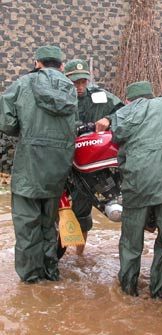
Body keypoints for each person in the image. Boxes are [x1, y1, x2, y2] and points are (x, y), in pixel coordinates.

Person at [0, 45, 78, 283]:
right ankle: (51, 273)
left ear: (37, 63)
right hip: (58, 166)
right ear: (62, 66)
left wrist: (23, 131)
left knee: (27, 226)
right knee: (48, 223)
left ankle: (31, 281)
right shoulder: (70, 89)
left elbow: (5, 122)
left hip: (30, 165)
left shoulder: (23, 84)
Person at [111, 81, 162, 298]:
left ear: (129, 99)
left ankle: (128, 290)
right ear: (152, 95)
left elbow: (117, 135)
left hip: (137, 182)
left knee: (131, 242)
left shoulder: (125, 112)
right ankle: (159, 292)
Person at [64, 59, 124, 255]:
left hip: (88, 163)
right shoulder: (59, 96)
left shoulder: (100, 96)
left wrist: (109, 119)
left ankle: (79, 255)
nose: (80, 87)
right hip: (62, 158)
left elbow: (124, 112)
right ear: (66, 79)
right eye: (75, 82)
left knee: (82, 206)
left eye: (83, 81)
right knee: (57, 205)